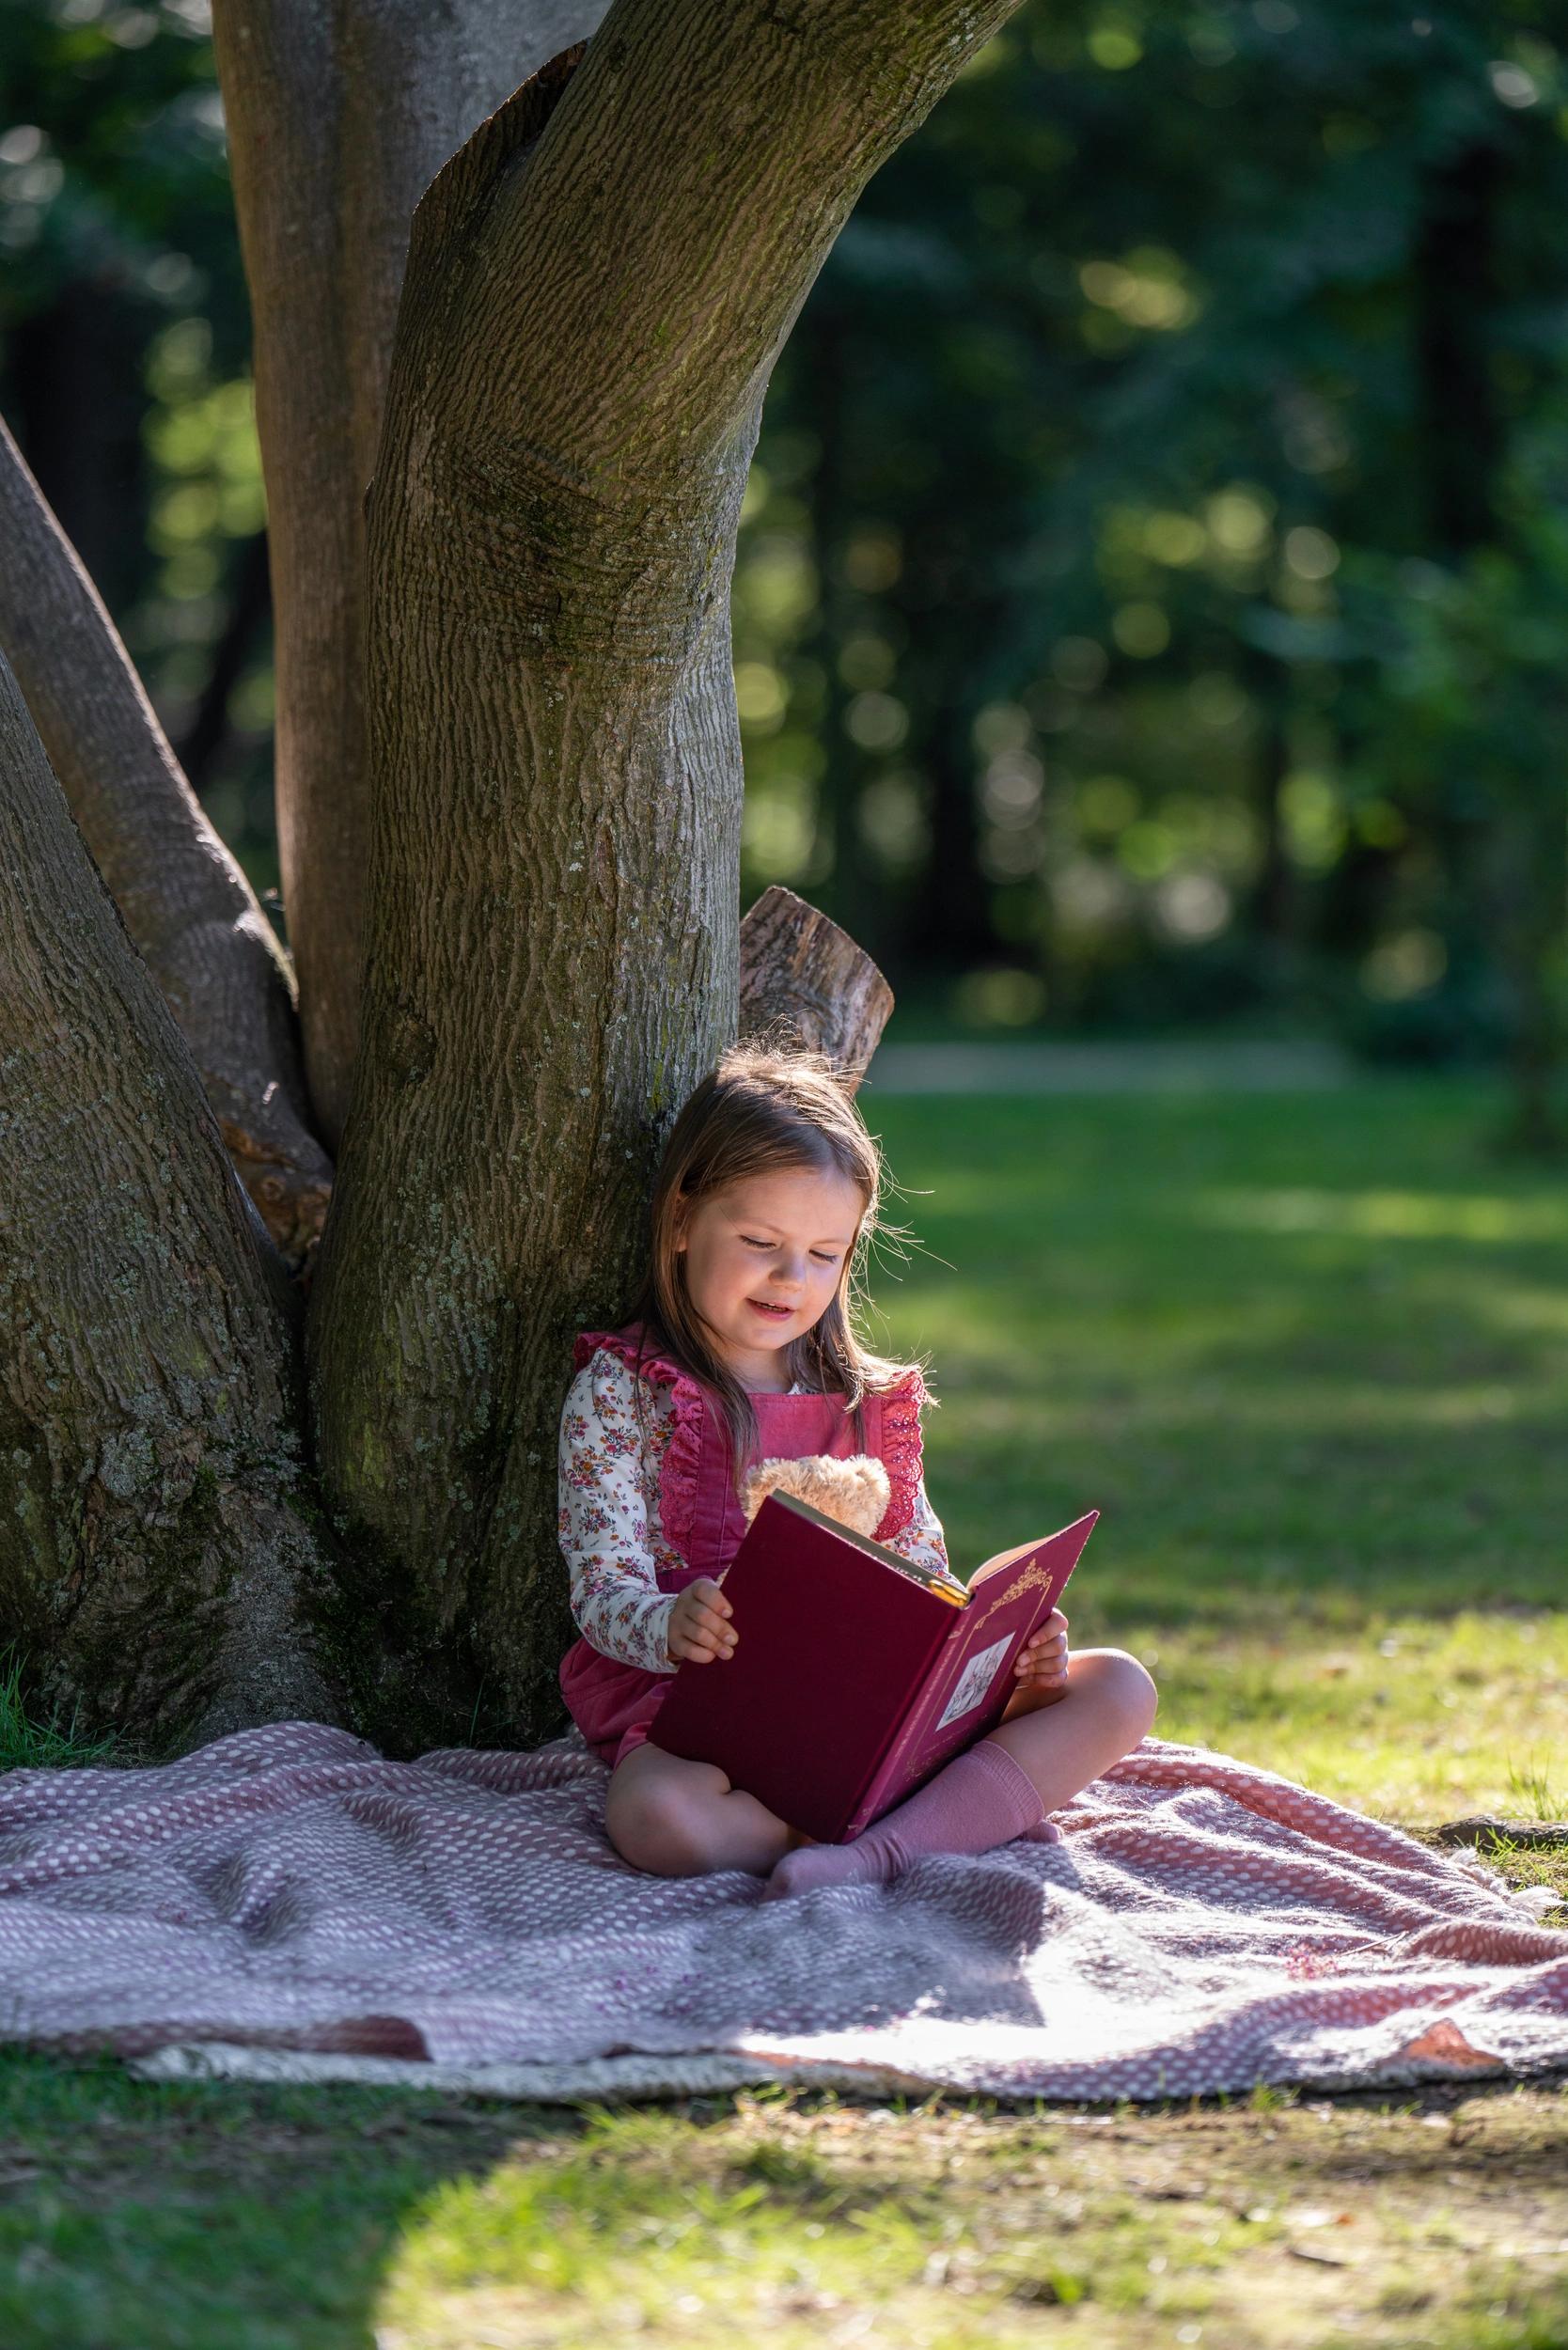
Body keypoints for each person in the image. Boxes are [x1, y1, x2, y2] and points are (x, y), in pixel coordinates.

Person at [557, 1041, 1158, 1893]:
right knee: (658, 1817)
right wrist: (670, 1626)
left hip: (874, 1711)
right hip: (710, 1719)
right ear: (682, 1219)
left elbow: (923, 1568)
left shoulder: (865, 1402)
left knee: (1119, 1687)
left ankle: (872, 1852)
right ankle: (915, 1828)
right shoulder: (626, 1390)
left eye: (824, 1254)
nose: (789, 1277)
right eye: (760, 1240)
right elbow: (600, 1590)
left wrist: (1009, 1654)